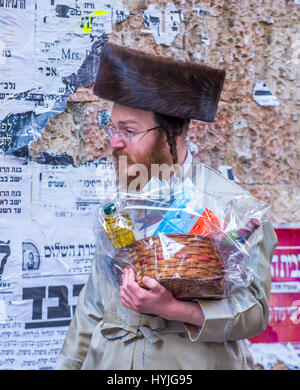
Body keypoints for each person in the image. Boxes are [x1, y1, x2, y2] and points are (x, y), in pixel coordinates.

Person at [55, 42, 278, 370]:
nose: (115, 141)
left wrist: (175, 309)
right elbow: (94, 304)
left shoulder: (235, 207)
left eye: (128, 130)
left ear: (170, 135)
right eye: (112, 127)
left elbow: (255, 312)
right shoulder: (121, 205)